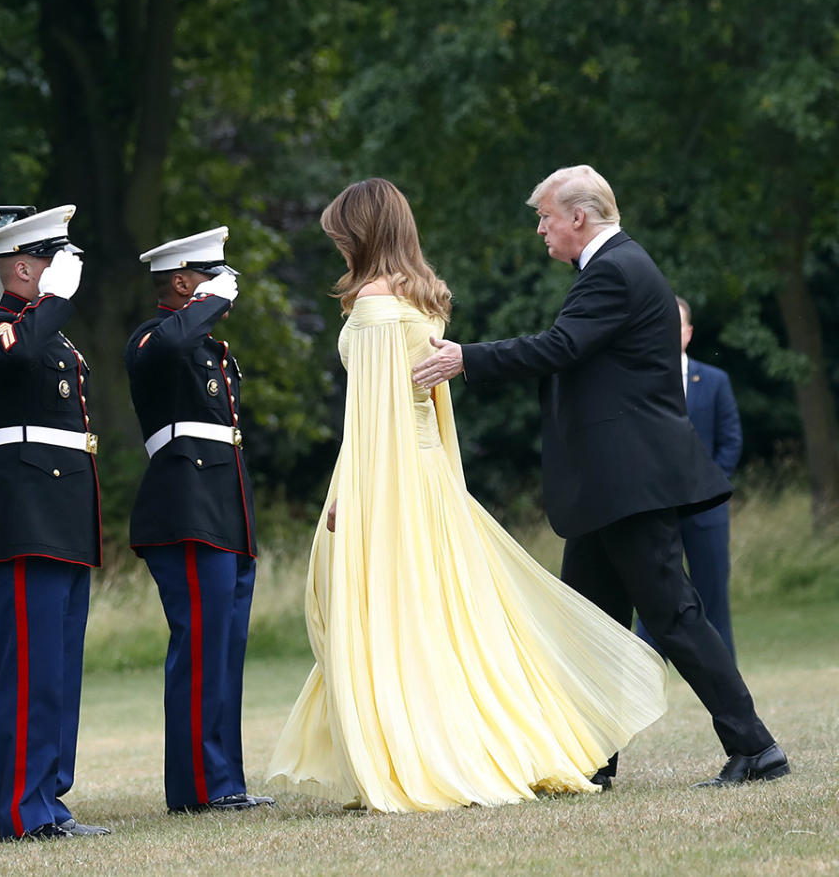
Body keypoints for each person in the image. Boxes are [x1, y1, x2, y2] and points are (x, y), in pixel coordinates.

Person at [265, 178, 668, 813]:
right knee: (439, 617)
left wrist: (350, 490)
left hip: (388, 474)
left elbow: (370, 418)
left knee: (388, 616)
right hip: (425, 474)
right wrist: (446, 480)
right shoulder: (421, 299)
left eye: (341, 235)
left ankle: (416, 752)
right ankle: (475, 742)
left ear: (361, 234)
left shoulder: (372, 307)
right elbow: (431, 410)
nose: (337, 247)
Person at [412, 165, 789, 789]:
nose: (540, 230)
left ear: (578, 218)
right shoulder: (617, 267)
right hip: (609, 487)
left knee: (675, 614)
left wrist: (464, 358)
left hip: (629, 483)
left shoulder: (614, 269)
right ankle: (592, 761)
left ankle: (757, 748)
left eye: (546, 217)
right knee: (591, 624)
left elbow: (559, 347)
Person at [0, 205, 109, 840]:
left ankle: (49, 800)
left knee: (56, 671)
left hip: (60, 520)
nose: (64, 272)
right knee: (28, 673)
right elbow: (11, 359)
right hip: (22, 520)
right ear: (24, 267)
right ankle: (25, 814)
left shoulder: (51, 337)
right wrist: (53, 304)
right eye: (54, 260)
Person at [124, 227, 273, 814]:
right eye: (212, 279)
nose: (223, 293)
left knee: (226, 649)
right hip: (185, 512)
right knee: (201, 647)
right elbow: (169, 344)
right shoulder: (152, 340)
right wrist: (212, 301)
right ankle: (195, 789)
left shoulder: (207, 348)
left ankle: (224, 781)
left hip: (223, 511)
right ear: (183, 283)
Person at [637, 297, 742, 659]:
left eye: (675, 326)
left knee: (713, 596)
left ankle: (725, 680)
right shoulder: (639, 382)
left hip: (705, 510)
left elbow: (730, 441)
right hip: (655, 506)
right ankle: (648, 675)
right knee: (653, 596)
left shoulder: (714, 381)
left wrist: (710, 487)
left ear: (688, 333)